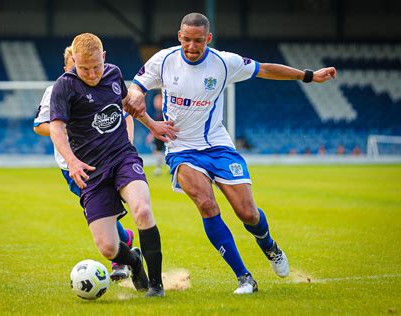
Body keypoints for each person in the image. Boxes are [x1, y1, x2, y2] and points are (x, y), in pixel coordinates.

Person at [125, 12, 337, 295]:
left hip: (218, 146)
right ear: (179, 36)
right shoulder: (164, 60)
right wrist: (137, 94)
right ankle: (245, 278)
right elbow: (135, 88)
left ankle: (269, 246)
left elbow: (265, 69)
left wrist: (308, 76)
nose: (191, 46)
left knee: (247, 213)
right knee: (206, 204)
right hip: (182, 149)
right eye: (186, 39)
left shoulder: (224, 63)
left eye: (198, 41)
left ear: (208, 39)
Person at [50, 33, 176, 297]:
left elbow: (128, 107)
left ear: (104, 58)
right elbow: (57, 128)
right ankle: (134, 262)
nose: (92, 73)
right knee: (108, 247)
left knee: (142, 210)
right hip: (91, 172)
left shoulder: (114, 74)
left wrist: (153, 126)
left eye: (96, 66)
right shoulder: (64, 86)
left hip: (121, 157)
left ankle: (156, 285)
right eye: (84, 68)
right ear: (73, 61)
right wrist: (72, 161)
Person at [33, 46, 136, 281]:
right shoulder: (55, 91)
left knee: (107, 208)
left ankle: (120, 260)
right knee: (99, 210)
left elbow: (125, 114)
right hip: (73, 165)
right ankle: (125, 240)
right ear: (67, 68)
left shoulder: (104, 84)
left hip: (108, 156)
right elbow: (39, 125)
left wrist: (127, 143)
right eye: (75, 68)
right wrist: (65, 123)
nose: (84, 75)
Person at [145, 93, 165, 175]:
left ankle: (161, 167)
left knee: (159, 150)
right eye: (155, 101)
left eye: (158, 101)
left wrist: (151, 135)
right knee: (157, 150)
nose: (156, 103)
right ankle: (159, 167)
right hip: (159, 134)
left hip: (164, 134)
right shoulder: (157, 113)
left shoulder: (165, 112)